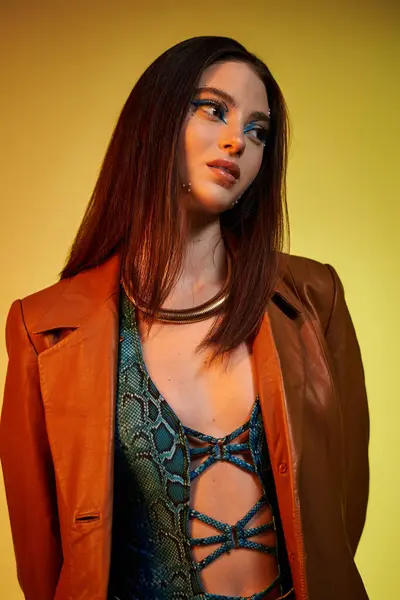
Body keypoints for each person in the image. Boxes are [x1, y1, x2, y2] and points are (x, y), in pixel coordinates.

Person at [0, 36, 369, 600]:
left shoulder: (314, 299)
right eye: (214, 109)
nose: (236, 140)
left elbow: (338, 516)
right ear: (155, 121)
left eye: (257, 130)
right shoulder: (45, 329)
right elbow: (45, 562)